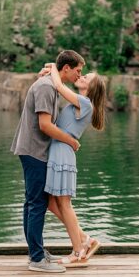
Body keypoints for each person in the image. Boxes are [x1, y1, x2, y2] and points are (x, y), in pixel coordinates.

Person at [10, 50, 85, 273]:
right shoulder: (45, 87)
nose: (78, 75)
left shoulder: (50, 85)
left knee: (32, 203)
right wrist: (71, 141)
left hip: (35, 150)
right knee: (37, 204)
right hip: (34, 150)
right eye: (77, 71)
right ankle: (36, 259)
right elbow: (45, 125)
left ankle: (37, 252)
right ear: (66, 69)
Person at [39, 61, 106, 265]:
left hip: (62, 153)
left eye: (86, 78)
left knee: (64, 204)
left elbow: (59, 87)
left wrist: (53, 70)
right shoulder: (79, 102)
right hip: (57, 151)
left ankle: (78, 252)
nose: (81, 77)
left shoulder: (85, 103)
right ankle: (85, 239)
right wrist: (53, 71)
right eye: (82, 74)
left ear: (91, 88)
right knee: (51, 202)